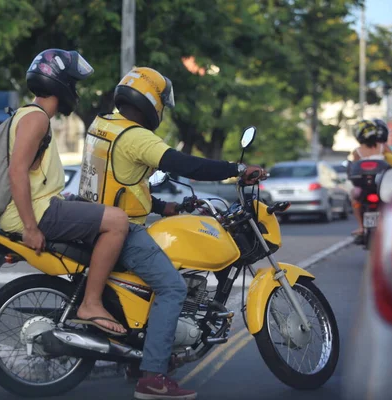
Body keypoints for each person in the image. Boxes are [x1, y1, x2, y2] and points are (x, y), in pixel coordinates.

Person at [79, 66, 266, 399]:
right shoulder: (136, 136)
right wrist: (238, 170)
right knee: (173, 288)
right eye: (162, 101)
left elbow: (117, 182)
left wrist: (164, 207)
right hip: (121, 230)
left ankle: (136, 356)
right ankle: (153, 376)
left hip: (92, 218)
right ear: (152, 100)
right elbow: (185, 165)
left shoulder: (103, 124)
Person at [0, 48, 129, 335]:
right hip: (34, 214)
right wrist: (31, 227)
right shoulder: (36, 119)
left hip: (40, 206)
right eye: (73, 83)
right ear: (58, 83)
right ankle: (91, 303)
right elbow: (16, 172)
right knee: (118, 221)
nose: (75, 91)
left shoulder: (28, 116)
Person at [349, 119, 392, 237]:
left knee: (355, 200)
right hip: (382, 186)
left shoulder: (357, 151)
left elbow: (352, 169)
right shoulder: (383, 147)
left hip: (363, 187)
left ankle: (361, 227)